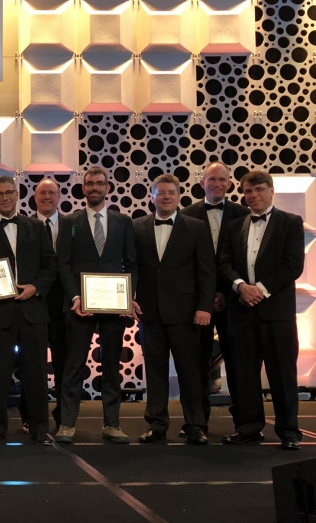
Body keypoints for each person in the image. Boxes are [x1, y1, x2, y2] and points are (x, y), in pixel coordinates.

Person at [218, 170, 305, 451]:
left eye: (257, 190)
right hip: (241, 310)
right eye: (247, 191)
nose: (252, 195)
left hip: (276, 313)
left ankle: (289, 432)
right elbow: (224, 263)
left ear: (271, 190)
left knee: (282, 374)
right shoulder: (234, 226)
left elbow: (293, 266)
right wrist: (241, 286)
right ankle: (248, 429)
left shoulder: (291, 222)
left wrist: (261, 290)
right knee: (243, 375)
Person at [0, 176, 56, 445]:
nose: (5, 197)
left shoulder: (36, 226)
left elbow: (50, 265)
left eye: (9, 192)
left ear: (18, 194)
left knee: (36, 372)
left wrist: (35, 287)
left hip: (33, 310)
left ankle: (40, 427)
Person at [56, 167, 138, 444]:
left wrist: (128, 298)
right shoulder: (70, 222)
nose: (94, 188)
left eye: (99, 183)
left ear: (107, 188)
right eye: (89, 183)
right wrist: (75, 297)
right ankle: (67, 424)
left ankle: (112, 424)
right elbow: (63, 264)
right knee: (73, 365)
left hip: (114, 306)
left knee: (112, 365)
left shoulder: (123, 222)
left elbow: (132, 263)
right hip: (81, 305)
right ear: (83, 188)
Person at [132, 174, 214, 445]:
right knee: (154, 372)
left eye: (171, 192)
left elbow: (206, 272)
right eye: (160, 193)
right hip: (149, 312)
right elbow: (131, 269)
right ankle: (156, 425)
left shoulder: (197, 227)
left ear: (179, 196)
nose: (166, 197)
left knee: (190, 372)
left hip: (186, 313)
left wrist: (204, 307)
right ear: (152, 196)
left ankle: (195, 425)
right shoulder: (137, 226)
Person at [181, 162, 251, 431]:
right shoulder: (186, 214)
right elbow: (185, 262)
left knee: (237, 363)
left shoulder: (243, 214)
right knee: (196, 363)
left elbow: (243, 260)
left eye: (222, 180)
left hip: (233, 299)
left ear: (230, 184)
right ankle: (197, 422)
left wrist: (225, 291)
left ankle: (243, 423)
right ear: (202, 183)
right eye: (212, 179)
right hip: (198, 302)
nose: (217, 184)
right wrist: (205, 296)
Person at [31, 177, 71, 430]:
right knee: (31, 363)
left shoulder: (72, 225)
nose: (47, 197)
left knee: (63, 363)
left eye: (51, 193)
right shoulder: (25, 225)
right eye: (42, 193)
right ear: (35, 198)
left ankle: (63, 415)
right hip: (32, 303)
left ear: (59, 197)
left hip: (65, 306)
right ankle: (31, 416)